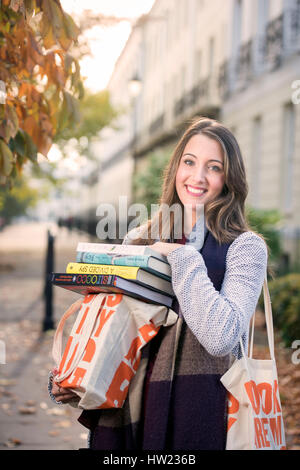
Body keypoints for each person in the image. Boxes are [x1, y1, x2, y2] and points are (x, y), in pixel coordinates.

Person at [49, 117, 268, 450]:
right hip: (130, 407)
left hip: (201, 412)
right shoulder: (140, 238)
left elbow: (221, 337)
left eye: (214, 167)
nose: (197, 177)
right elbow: (109, 325)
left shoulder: (244, 247)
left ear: (229, 178)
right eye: (189, 162)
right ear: (176, 167)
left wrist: (183, 258)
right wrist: (71, 377)